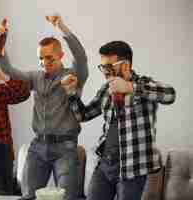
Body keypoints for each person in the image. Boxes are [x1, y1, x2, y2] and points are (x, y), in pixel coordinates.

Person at [63, 41, 176, 200]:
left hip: (132, 167)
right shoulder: (105, 89)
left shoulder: (143, 85)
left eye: (109, 66)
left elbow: (170, 95)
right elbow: (83, 115)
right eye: (103, 67)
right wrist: (71, 93)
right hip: (105, 164)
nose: (105, 72)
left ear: (125, 65)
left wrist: (130, 87)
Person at [0, 14, 88, 200]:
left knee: (67, 197)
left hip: (66, 148)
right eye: (41, 58)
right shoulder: (35, 77)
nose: (44, 63)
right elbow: (9, 72)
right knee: (27, 195)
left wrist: (62, 28)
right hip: (38, 146)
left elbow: (81, 58)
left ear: (61, 56)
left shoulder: (74, 76)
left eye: (49, 58)